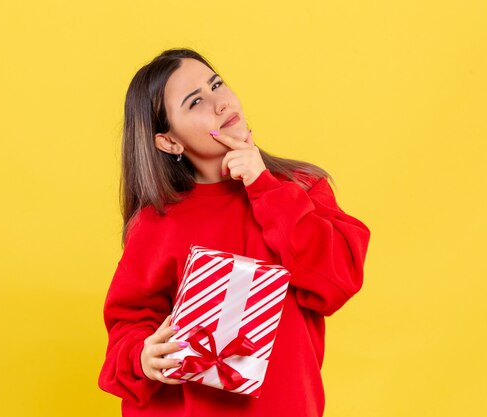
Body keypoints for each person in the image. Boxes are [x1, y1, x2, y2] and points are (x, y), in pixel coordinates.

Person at [97, 48, 371, 417]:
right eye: (196, 101)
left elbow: (338, 280)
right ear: (169, 142)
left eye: (217, 84)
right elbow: (128, 324)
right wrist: (144, 354)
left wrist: (265, 186)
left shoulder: (301, 188)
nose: (220, 103)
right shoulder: (157, 222)